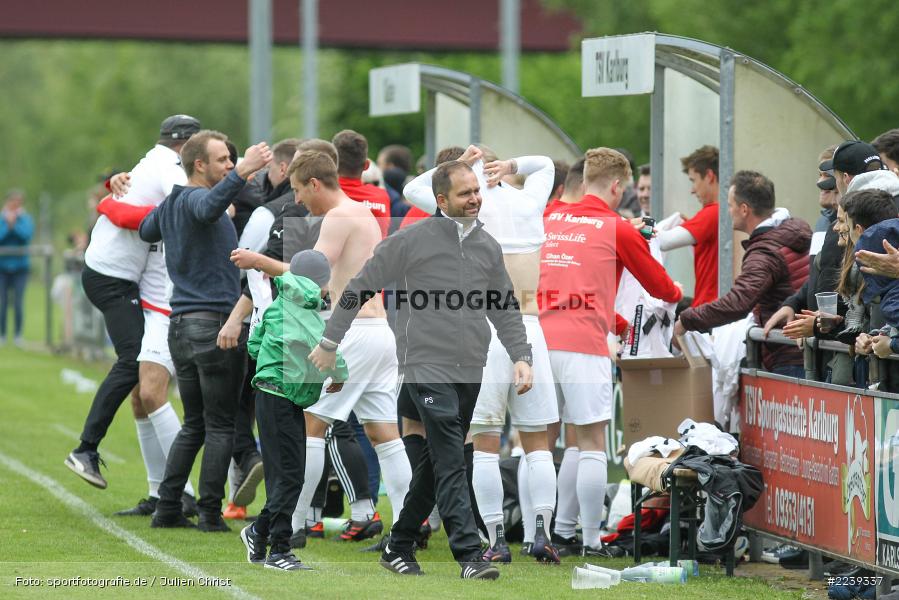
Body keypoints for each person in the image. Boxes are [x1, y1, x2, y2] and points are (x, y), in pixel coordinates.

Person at [310, 157, 532, 580]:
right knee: (451, 456)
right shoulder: (411, 240)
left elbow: (504, 307)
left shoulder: (487, 245)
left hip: (472, 365)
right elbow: (359, 288)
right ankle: (469, 554)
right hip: (424, 363)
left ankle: (398, 544)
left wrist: (522, 356)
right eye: (466, 193)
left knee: (437, 460)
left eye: (477, 191)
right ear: (441, 198)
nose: (475, 199)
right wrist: (329, 341)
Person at [230, 150, 412, 544]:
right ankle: (408, 528)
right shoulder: (363, 212)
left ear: (315, 184)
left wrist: (258, 260)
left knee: (310, 427)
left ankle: (290, 526)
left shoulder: (337, 216)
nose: (296, 200)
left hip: (352, 331)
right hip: (380, 331)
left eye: (297, 190)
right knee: (384, 434)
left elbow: (310, 277)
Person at [404, 145, 561, 564]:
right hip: (528, 327)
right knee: (537, 441)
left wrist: (461, 163)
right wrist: (512, 164)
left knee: (485, 441)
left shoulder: (471, 209)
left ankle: (494, 538)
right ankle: (541, 533)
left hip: (484, 330)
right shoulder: (529, 201)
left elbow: (414, 188)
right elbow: (544, 162)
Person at [539, 147, 683, 558]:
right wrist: (677, 297)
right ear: (617, 187)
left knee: (548, 443)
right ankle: (586, 540)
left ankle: (552, 532)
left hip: (540, 340)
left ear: (584, 181)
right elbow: (659, 285)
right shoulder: (615, 227)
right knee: (591, 441)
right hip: (583, 343)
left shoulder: (551, 217)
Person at [65, 116, 202, 513]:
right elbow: (176, 211)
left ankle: (163, 493)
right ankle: (86, 449)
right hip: (114, 279)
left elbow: (136, 213)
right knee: (133, 365)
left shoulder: (153, 163)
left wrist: (109, 196)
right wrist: (109, 201)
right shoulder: (166, 167)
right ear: (187, 146)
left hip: (116, 277)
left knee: (142, 393)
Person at [139, 131, 272, 531]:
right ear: (200, 165)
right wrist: (244, 173)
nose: (230, 165)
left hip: (180, 326)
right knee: (220, 425)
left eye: (233, 161)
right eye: (223, 161)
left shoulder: (175, 200)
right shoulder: (198, 199)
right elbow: (207, 207)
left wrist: (169, 211)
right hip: (214, 325)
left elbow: (148, 229)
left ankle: (167, 509)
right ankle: (210, 515)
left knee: (195, 422)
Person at [240, 249, 348, 572]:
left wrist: (271, 357)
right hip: (281, 398)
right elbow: (325, 346)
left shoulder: (278, 305)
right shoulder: (307, 311)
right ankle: (279, 550)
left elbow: (254, 343)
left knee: (285, 476)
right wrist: (340, 376)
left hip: (271, 396)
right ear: (319, 283)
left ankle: (259, 534)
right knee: (289, 477)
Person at [675, 171, 811, 377]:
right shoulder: (792, 230)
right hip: (801, 351)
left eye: (730, 205)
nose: (728, 211)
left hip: (788, 357)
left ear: (744, 209)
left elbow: (738, 302)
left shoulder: (765, 252)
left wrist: (686, 320)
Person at [657, 145, 720, 308]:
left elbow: (663, 242)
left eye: (694, 180)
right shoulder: (721, 213)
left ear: (709, 176)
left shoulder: (713, 213)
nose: (692, 190)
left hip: (708, 309)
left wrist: (632, 227)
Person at [0, 189, 34, 347]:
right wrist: (7, 225)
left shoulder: (25, 219)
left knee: (19, 302)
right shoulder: (2, 218)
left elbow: (26, 236)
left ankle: (18, 335)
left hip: (20, 268)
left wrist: (14, 224)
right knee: (2, 302)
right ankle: (3, 334)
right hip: (2, 267)